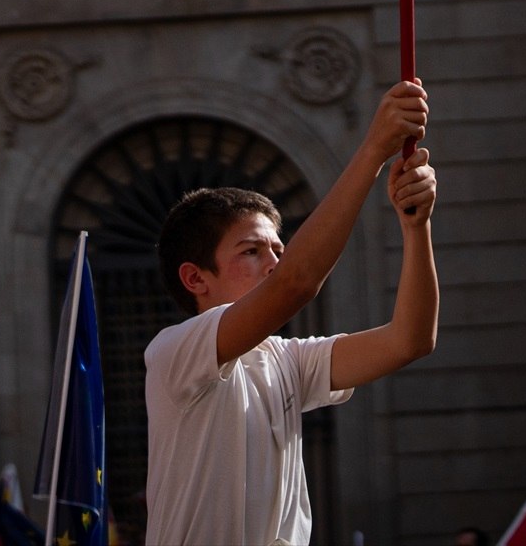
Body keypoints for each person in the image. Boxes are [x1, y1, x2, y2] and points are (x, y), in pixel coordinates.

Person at [145, 79, 439, 545]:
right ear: (195, 278)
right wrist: (372, 151)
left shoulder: (288, 360)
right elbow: (297, 283)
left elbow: (410, 340)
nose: (274, 263)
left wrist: (416, 227)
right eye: (251, 251)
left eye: (279, 249)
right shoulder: (174, 351)